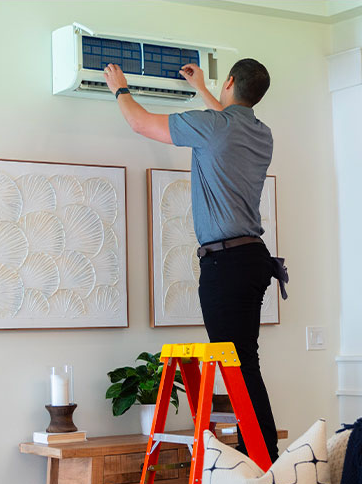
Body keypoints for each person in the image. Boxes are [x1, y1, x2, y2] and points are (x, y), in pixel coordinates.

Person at [103, 58, 281, 461]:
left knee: (238, 366)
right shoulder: (260, 132)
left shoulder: (213, 126)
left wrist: (120, 88)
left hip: (227, 264)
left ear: (231, 82)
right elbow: (227, 118)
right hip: (253, 258)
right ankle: (262, 451)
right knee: (243, 360)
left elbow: (140, 123)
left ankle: (264, 457)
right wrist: (202, 88)